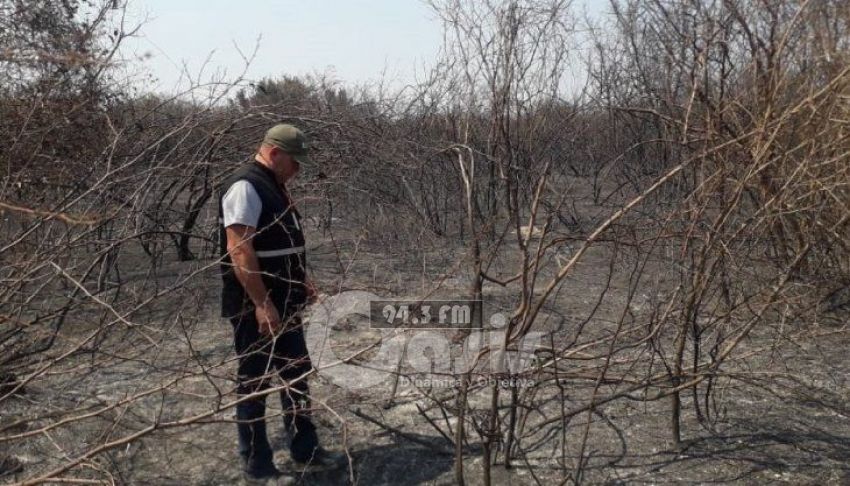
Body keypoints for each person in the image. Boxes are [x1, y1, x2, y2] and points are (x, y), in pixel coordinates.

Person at [219, 123, 340, 479]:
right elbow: (239, 250)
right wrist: (261, 303)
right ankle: (257, 465)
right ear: (274, 154)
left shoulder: (274, 185)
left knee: (296, 374)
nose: (298, 170)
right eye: (295, 162)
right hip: (256, 308)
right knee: (254, 383)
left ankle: (306, 449)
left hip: (286, 303)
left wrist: (302, 280)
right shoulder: (245, 186)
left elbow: (280, 243)